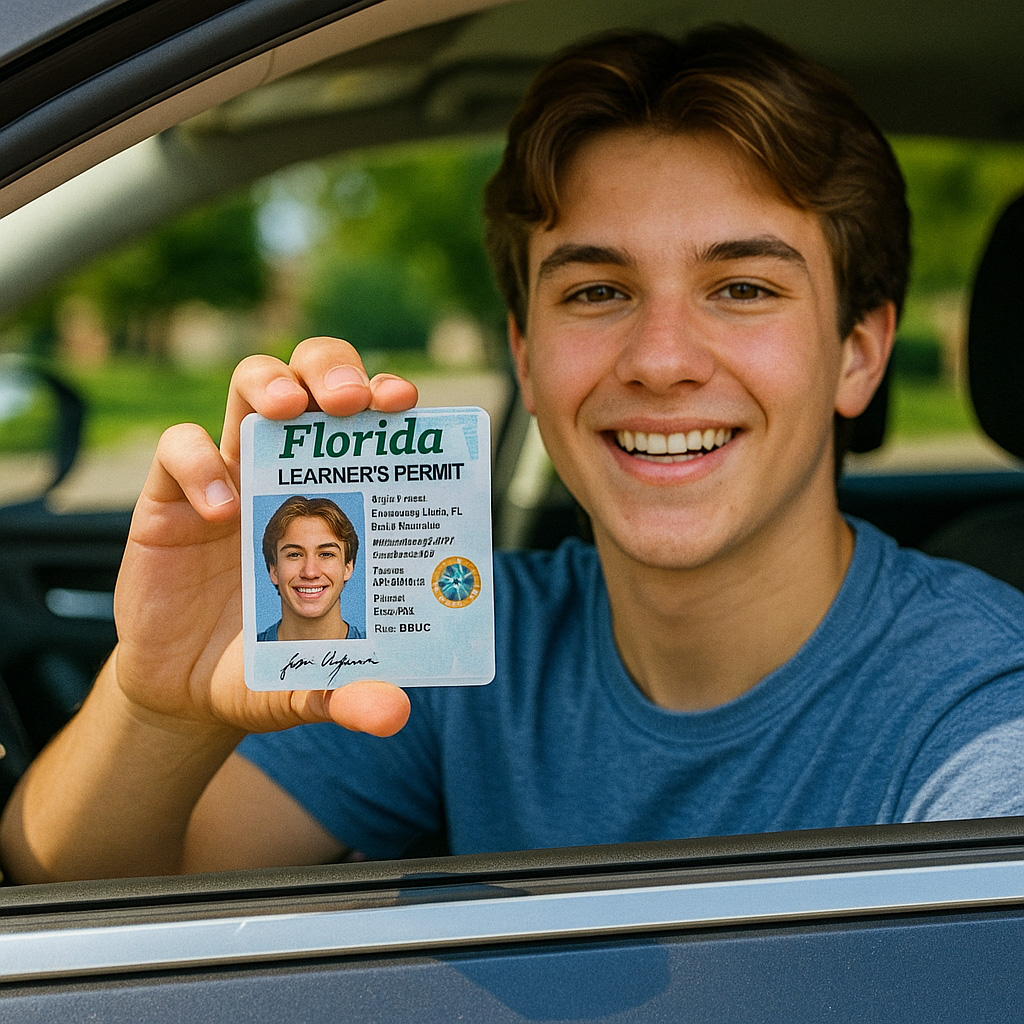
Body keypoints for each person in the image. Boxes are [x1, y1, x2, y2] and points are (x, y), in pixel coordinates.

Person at [4, 24, 1024, 881]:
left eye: (743, 288)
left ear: (858, 354)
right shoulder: (459, 639)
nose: (661, 360)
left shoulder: (984, 704)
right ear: (525, 357)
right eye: (596, 291)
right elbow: (81, 888)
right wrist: (157, 699)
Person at [258, 496, 364, 642]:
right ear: (274, 570)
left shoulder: (385, 653)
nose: (310, 572)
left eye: (326, 554)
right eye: (294, 555)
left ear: (348, 567)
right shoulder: (240, 657)